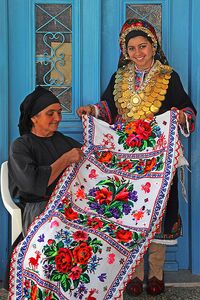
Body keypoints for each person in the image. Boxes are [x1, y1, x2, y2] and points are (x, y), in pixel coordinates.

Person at [76, 18, 196, 297]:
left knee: (157, 215)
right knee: (130, 216)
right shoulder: (119, 78)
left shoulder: (169, 77)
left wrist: (181, 116)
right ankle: (129, 272)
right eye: (132, 48)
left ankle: (155, 273)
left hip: (158, 162)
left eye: (143, 46)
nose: (138, 53)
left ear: (153, 47)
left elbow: (188, 109)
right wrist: (92, 111)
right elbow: (108, 107)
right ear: (125, 51)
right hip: (125, 161)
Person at [8, 86, 84, 237]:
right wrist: (65, 159)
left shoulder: (65, 142)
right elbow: (32, 184)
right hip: (40, 209)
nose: (58, 118)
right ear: (33, 118)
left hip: (71, 206)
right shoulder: (21, 145)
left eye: (59, 112)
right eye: (50, 113)